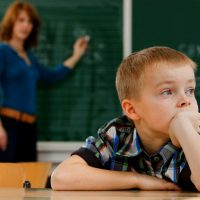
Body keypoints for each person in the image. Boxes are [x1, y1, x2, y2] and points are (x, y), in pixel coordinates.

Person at [51, 46, 200, 191]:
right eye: (167, 92)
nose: (185, 100)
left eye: (190, 90)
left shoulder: (193, 138)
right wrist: (137, 180)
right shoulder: (118, 134)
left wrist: (184, 128)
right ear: (132, 109)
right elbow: (61, 177)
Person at [0, 1, 88, 162]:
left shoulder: (29, 57)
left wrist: (76, 55)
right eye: (21, 20)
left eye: (30, 22)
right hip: (9, 126)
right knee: (8, 182)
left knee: (28, 180)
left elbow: (51, 76)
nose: (26, 25)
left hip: (29, 128)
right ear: (11, 22)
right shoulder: (3, 51)